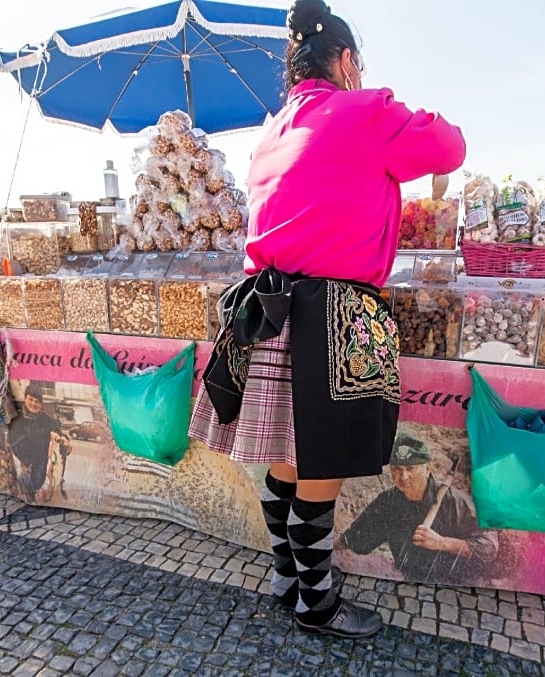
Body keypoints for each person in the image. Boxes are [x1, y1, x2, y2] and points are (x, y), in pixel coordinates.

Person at [188, 0, 465, 640]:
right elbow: (448, 147)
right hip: (332, 317)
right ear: (345, 61)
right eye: (357, 63)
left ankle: (289, 581)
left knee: (288, 454)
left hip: (270, 313)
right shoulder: (366, 109)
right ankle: (317, 603)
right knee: (322, 466)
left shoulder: (272, 130)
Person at [338, 433, 516, 585]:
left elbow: (489, 547)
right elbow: (356, 537)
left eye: (411, 468)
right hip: (412, 581)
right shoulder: (388, 502)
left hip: (459, 585)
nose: (403, 476)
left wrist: (441, 543)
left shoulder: (454, 502)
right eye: (397, 469)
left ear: (428, 468)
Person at [5, 383, 70, 503]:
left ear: (42, 404)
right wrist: (24, 463)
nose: (33, 404)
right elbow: (12, 441)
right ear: (25, 398)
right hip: (22, 463)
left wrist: (63, 439)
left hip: (42, 465)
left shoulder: (48, 421)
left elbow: (60, 435)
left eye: (37, 401)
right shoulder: (16, 419)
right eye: (31, 399)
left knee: (40, 494)